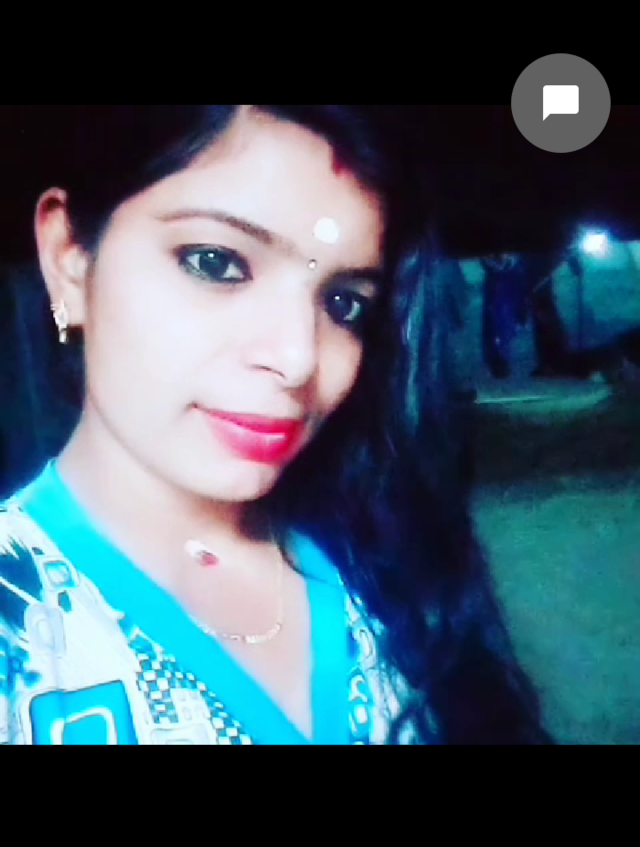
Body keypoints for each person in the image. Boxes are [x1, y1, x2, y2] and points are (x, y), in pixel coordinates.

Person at [0, 105, 551, 745]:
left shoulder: (384, 558)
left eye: (343, 304)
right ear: (69, 258)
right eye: (215, 262)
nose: (299, 358)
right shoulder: (21, 623)